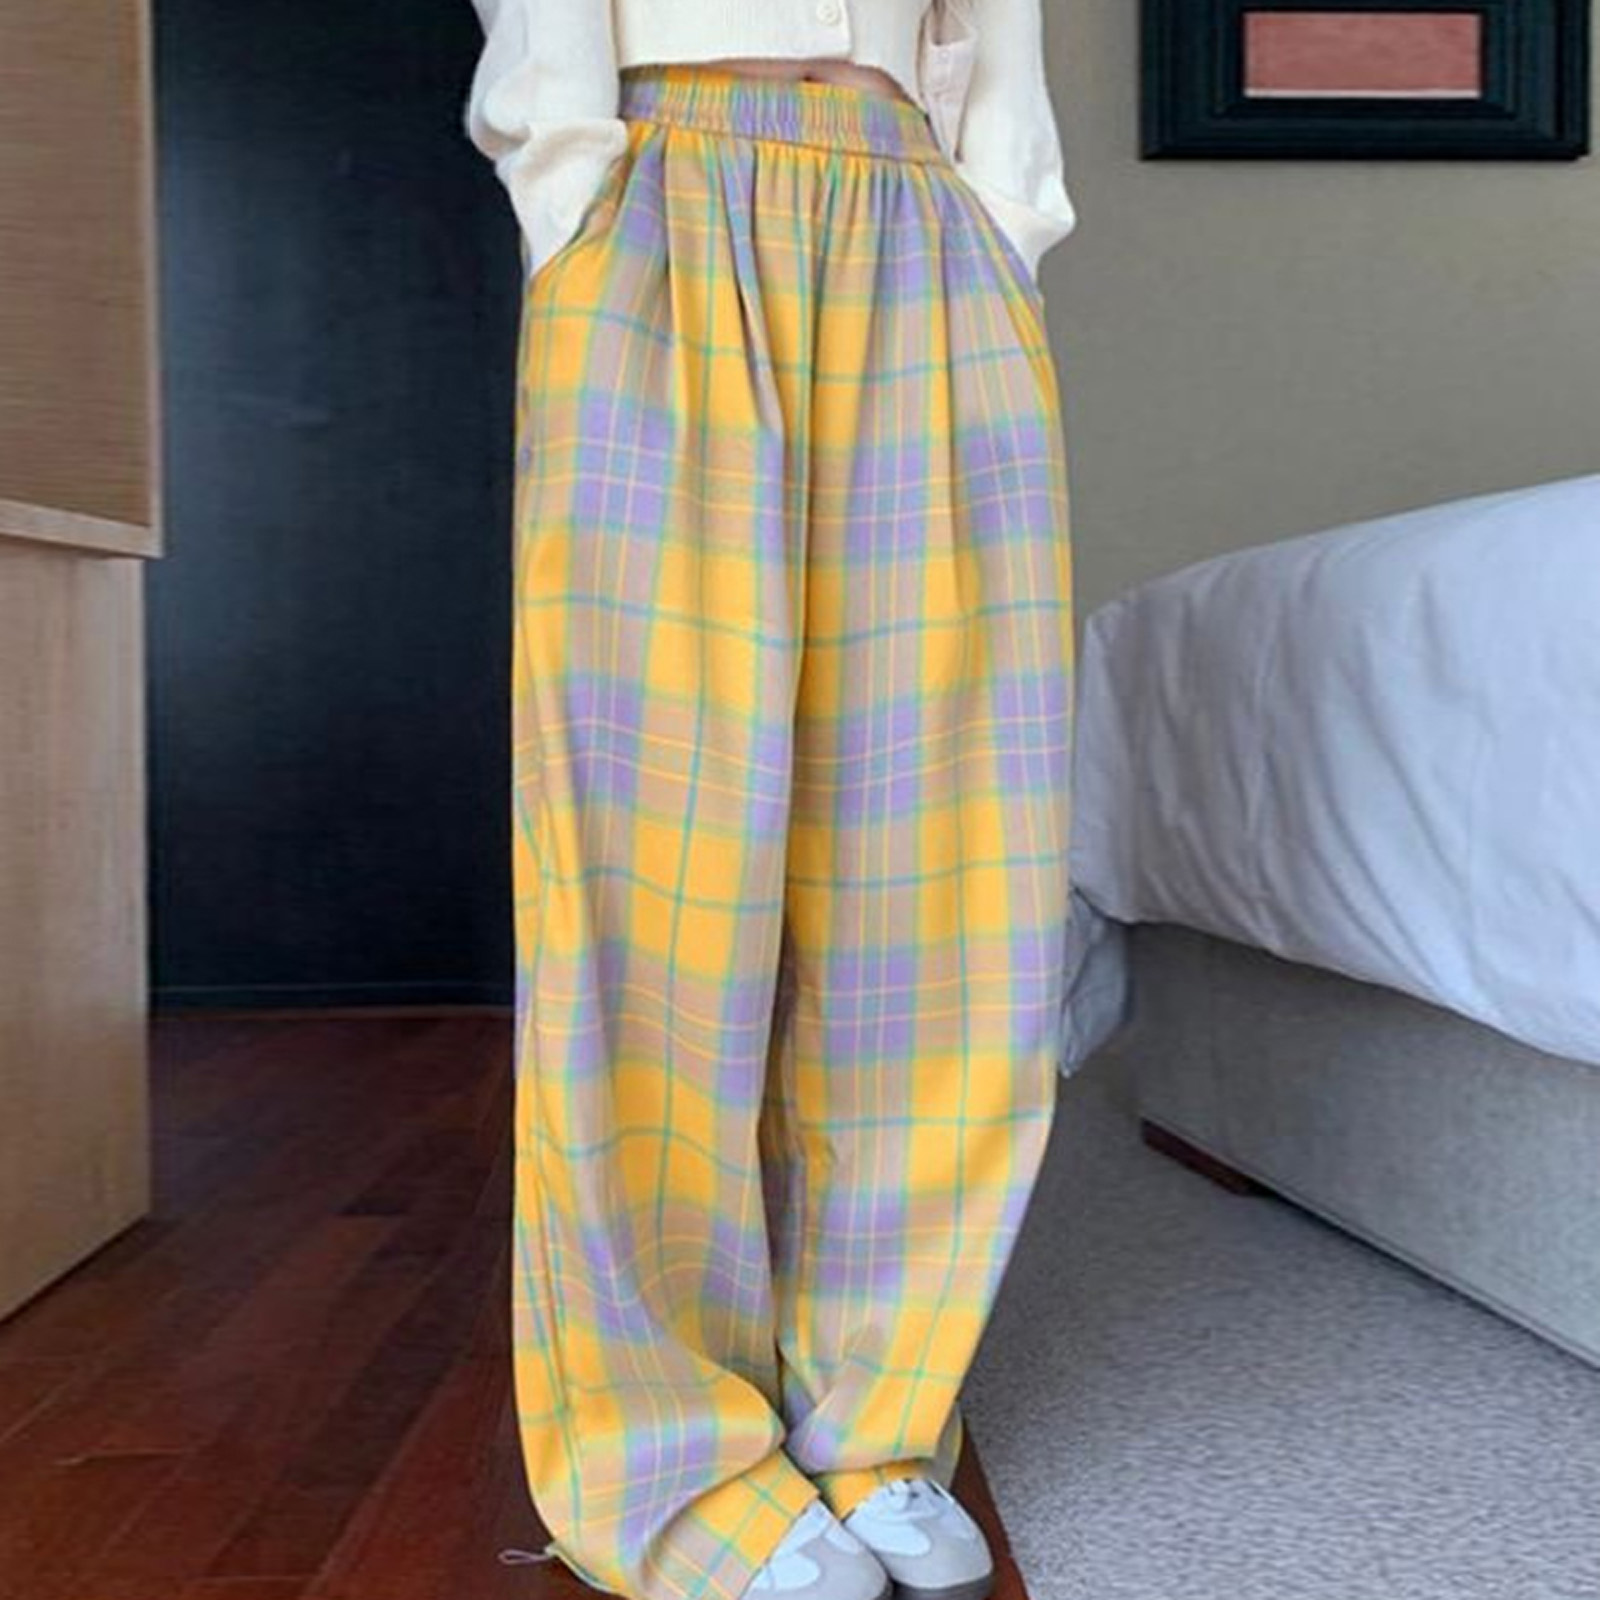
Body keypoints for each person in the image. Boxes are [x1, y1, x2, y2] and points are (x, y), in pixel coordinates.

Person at [462, 5, 1078, 1598]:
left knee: (942, 853)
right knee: (649, 863)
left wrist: (1004, 209)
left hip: (918, 197)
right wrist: (570, 178)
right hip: (656, 174)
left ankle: (879, 1419)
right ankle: (669, 1461)